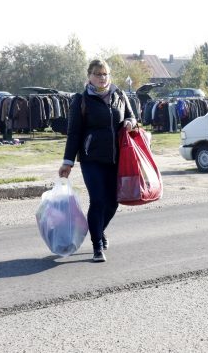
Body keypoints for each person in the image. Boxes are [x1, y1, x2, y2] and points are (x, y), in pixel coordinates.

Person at [58, 59, 136, 263]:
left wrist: (130, 122)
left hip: (116, 157)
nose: (102, 78)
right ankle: (97, 246)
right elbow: (74, 133)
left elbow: (132, 117)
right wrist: (68, 161)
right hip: (91, 158)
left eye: (105, 74)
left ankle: (98, 230)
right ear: (89, 76)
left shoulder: (119, 95)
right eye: (98, 74)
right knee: (98, 200)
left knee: (113, 202)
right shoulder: (81, 100)